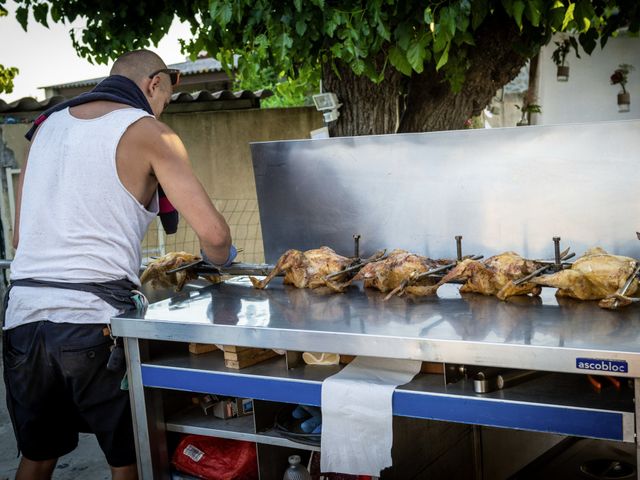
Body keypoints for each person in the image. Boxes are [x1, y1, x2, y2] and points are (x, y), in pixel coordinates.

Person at [3, 50, 234, 480]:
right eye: (165, 96)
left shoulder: (44, 128)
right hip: (93, 327)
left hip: (23, 321)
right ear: (153, 83)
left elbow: (20, 240)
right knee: (129, 460)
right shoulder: (149, 132)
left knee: (37, 456)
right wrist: (221, 263)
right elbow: (216, 237)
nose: (164, 107)